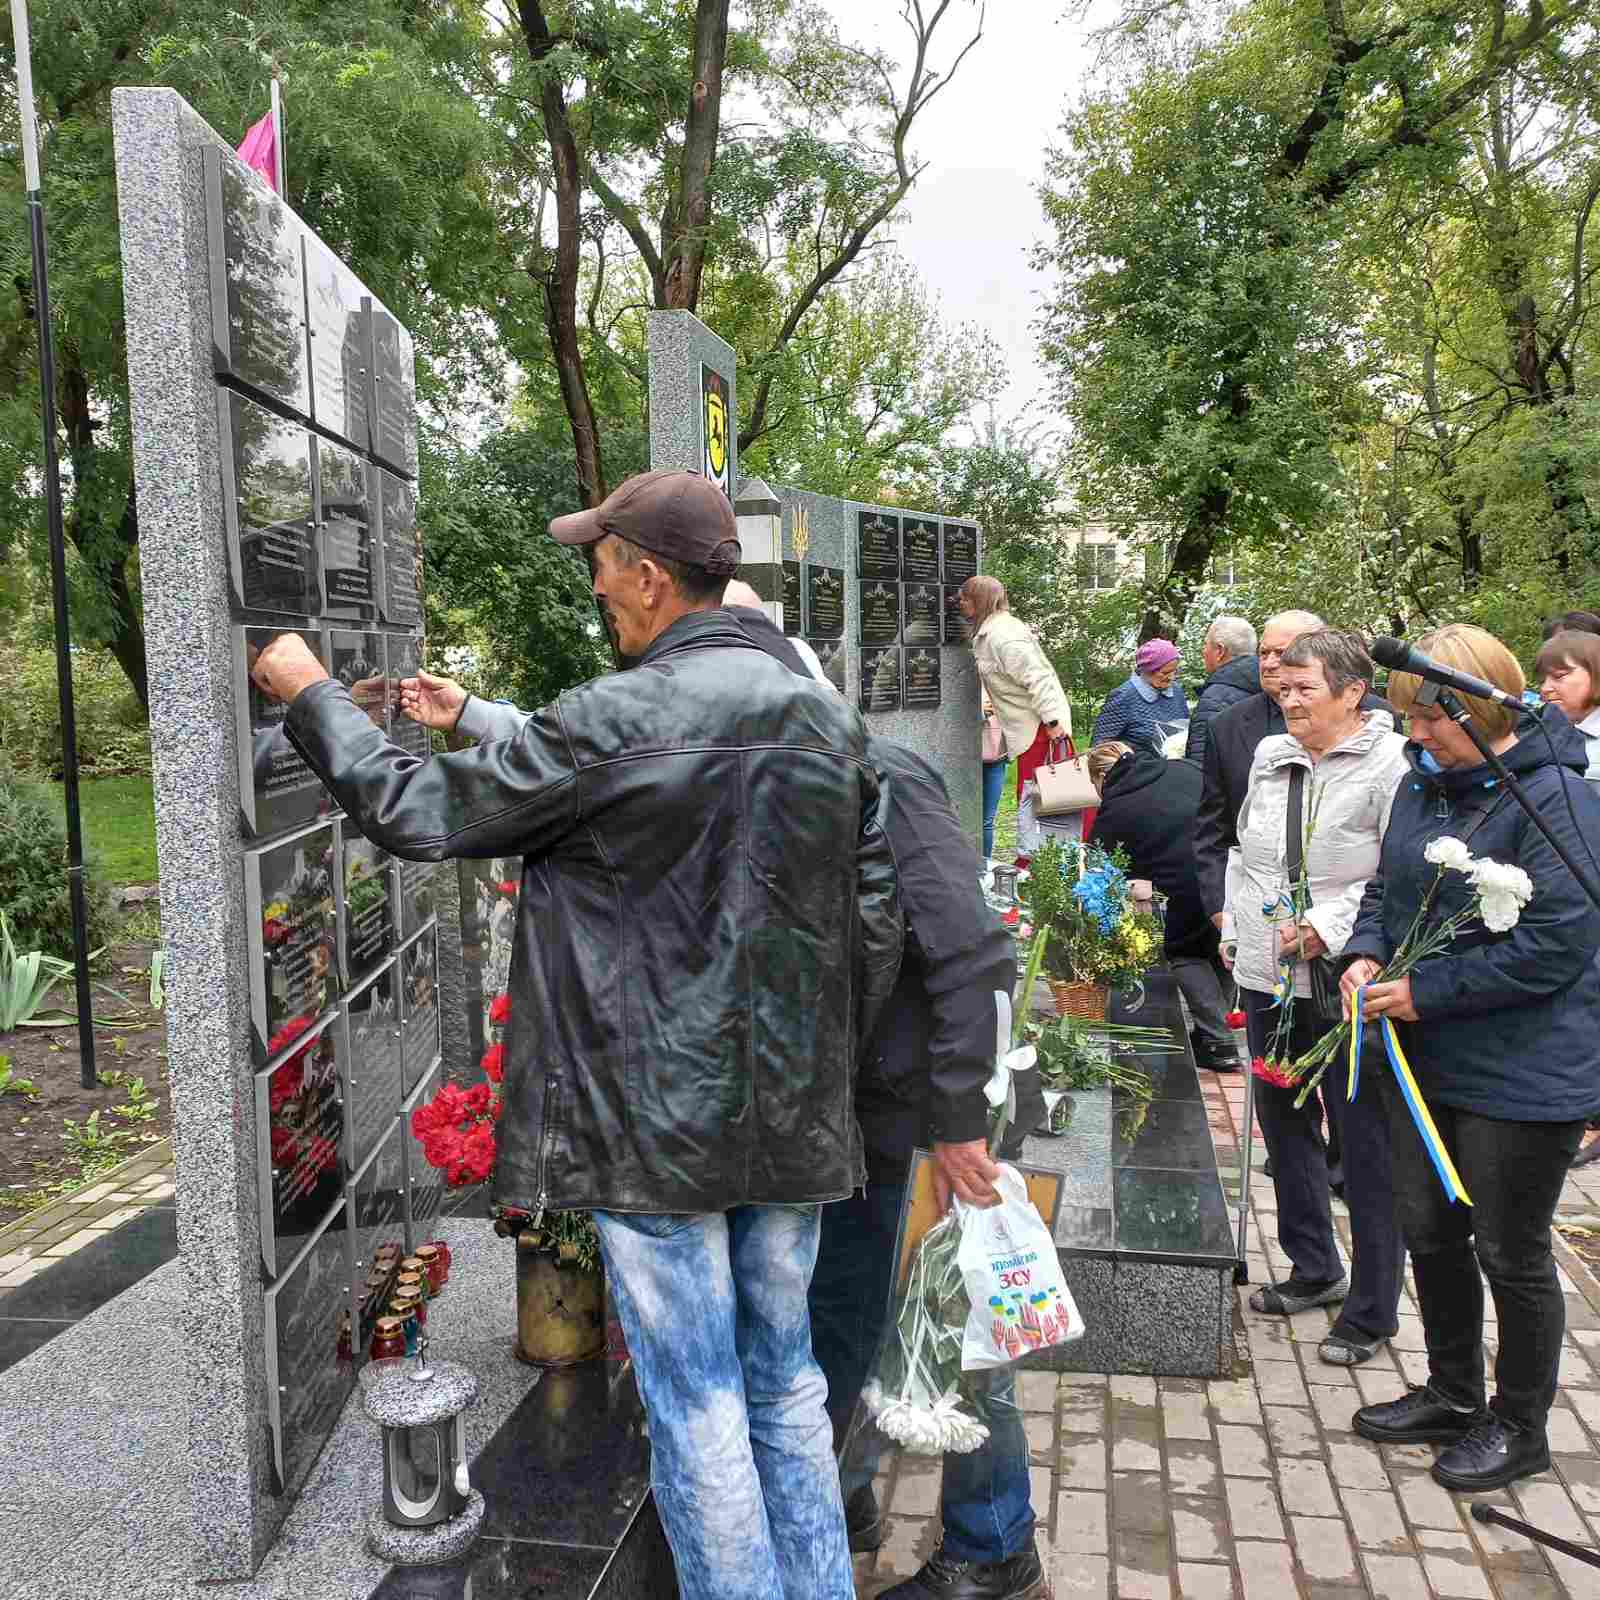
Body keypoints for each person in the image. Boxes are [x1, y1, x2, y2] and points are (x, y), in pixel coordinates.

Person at [251, 468, 903, 1600]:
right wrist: (817, 1068)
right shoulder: (829, 720)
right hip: (792, 1115)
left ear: (651, 577)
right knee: (784, 1385)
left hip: (649, 1128)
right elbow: (875, 918)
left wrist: (312, 693)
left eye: (601, 564)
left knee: (696, 1402)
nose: (597, 587)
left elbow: (418, 812)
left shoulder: (616, 715)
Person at [1344, 624, 1600, 1491]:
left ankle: (1520, 1424)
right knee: (1429, 1228)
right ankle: (1452, 1392)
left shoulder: (1557, 799)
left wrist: (1428, 994)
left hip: (1524, 1069)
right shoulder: (1425, 785)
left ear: (1481, 706)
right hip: (1428, 1060)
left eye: (1429, 720)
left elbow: (1560, 942)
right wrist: (1366, 953)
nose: (1415, 737)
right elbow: (1388, 887)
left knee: (1510, 1249)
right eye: (1409, 720)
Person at [1222, 630, 1408, 1365]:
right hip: (1269, 970)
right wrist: (1238, 929)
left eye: (1305, 689)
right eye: (1283, 687)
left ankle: (1373, 1306)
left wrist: (1330, 930)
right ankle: (1313, 1266)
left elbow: (1395, 878)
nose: (1288, 699)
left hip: (1344, 978)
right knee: (1283, 1116)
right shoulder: (1272, 756)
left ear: (1353, 691)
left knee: (1362, 1140)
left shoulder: (1391, 767)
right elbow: (1248, 852)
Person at [1085, 741, 1239, 1071]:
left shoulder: (1116, 805)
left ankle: (1219, 1039)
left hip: (1181, 883)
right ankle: (1218, 1026)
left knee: (1183, 950)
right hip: (1224, 867)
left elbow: (1099, 866)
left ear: (1101, 777)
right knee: (1220, 941)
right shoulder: (1181, 768)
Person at [959, 576, 1072, 866]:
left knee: (1038, 799)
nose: (960, 603)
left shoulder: (1003, 635)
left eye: (965, 598)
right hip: (1032, 729)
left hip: (1041, 730)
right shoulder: (991, 630)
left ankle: (1037, 864)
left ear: (980, 601)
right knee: (1033, 798)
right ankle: (1038, 860)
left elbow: (1039, 678)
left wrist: (1053, 723)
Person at [1185, 615, 1260, 769]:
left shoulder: (1215, 698)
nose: (1203, 651)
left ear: (1219, 651)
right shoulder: (1272, 686)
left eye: (1206, 644)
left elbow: (1200, 764)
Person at [1091, 638, 1191, 754]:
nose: (1171, 677)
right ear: (1147, 669)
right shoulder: (1124, 696)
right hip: (1136, 769)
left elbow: (1185, 730)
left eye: (1174, 671)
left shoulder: (1176, 691)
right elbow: (1100, 748)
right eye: (1165, 673)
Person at [1536, 628, 1600, 778]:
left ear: (1596, 672)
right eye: (1542, 680)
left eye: (1559, 676)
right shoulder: (1543, 736)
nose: (1545, 688)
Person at [981, 693, 1008, 861]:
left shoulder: (999, 677)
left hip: (996, 756)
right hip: (964, 756)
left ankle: (985, 865)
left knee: (987, 819)